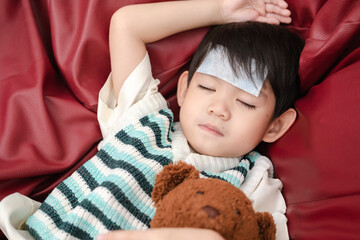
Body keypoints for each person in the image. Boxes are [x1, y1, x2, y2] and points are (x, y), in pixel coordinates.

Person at [0, 0, 303, 239]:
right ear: (183, 89)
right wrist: (220, 9)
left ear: (275, 125)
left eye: (246, 103)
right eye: (208, 87)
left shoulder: (253, 182)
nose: (218, 109)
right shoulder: (143, 120)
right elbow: (126, 25)